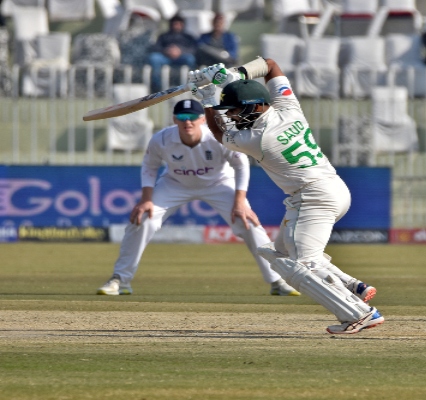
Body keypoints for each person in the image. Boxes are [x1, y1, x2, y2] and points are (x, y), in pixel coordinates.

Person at [187, 57, 381, 334]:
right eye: (227, 111)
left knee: (301, 264)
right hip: (333, 188)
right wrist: (234, 74)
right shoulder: (290, 108)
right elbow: (270, 64)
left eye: (234, 110)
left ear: (255, 107)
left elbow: (220, 134)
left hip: (312, 197)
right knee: (277, 253)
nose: (230, 116)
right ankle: (354, 286)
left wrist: (208, 101)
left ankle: (359, 314)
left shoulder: (258, 139)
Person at [97, 99, 299, 297]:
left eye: (193, 117)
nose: (188, 122)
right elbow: (149, 166)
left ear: (202, 119)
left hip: (218, 183)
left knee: (249, 223)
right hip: (175, 184)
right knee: (142, 220)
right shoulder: (162, 139)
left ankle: (277, 281)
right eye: (183, 117)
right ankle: (120, 280)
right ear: (175, 119)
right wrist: (146, 199)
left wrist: (240, 202)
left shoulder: (218, 137)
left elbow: (241, 165)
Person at [147, 14, 198, 92]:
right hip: (166, 57)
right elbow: (155, 47)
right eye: (174, 24)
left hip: (182, 57)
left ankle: (190, 84)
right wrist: (166, 50)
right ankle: (157, 87)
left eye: (178, 24)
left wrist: (180, 51)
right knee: (154, 58)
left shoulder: (188, 37)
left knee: (190, 59)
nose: (176, 26)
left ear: (182, 25)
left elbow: (193, 49)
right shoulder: (164, 36)